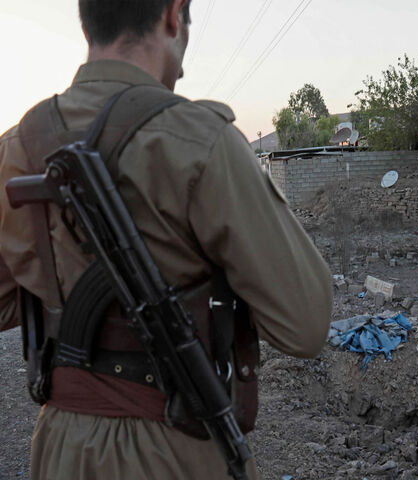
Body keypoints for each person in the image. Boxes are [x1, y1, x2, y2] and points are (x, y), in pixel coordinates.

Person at [0, 1, 333, 479]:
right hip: (174, 447)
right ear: (174, 15)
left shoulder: (18, 147)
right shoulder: (201, 139)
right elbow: (305, 325)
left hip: (60, 447)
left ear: (88, 19)